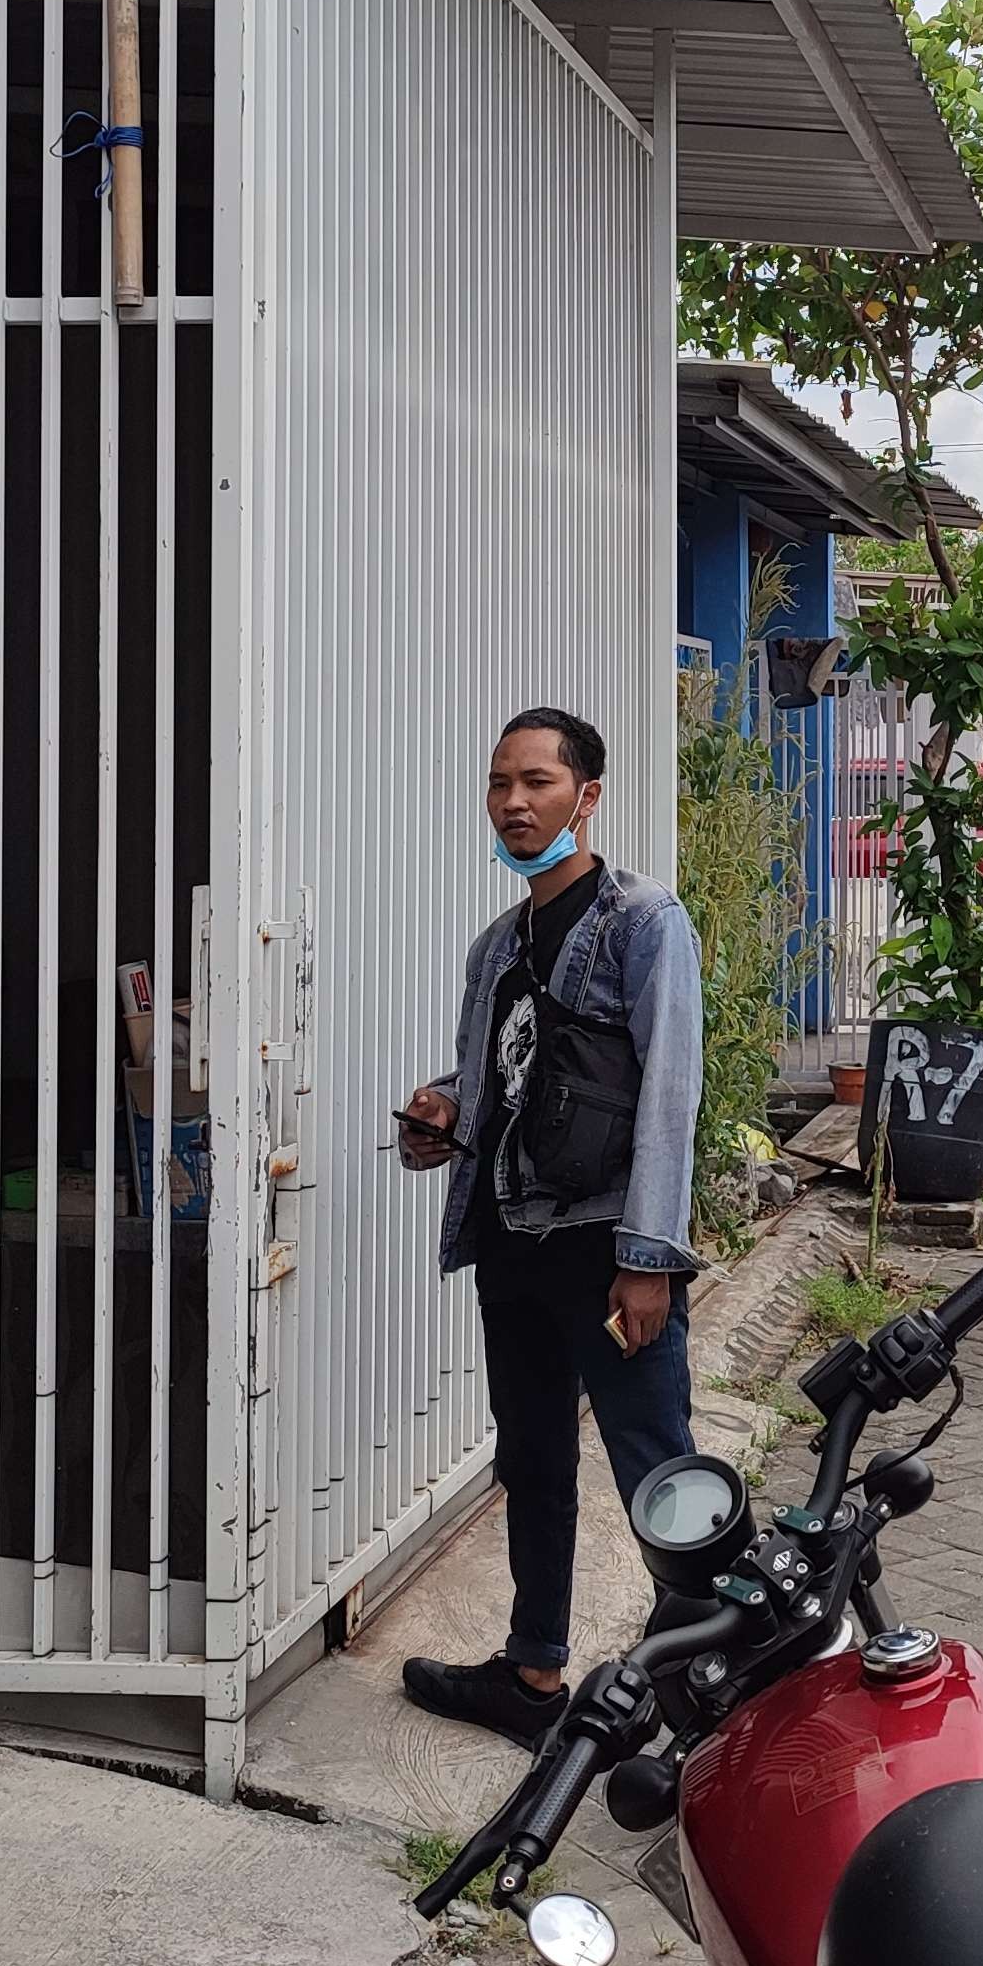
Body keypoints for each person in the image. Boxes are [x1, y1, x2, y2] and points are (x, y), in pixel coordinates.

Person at [393, 707, 704, 1744]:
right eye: (499, 784)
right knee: (531, 1461)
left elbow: (669, 1093)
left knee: (655, 1466)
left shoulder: (641, 922)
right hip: (513, 1246)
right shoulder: (497, 946)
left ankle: (707, 1687)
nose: (515, 802)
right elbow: (505, 1079)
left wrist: (650, 1260)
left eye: (537, 781)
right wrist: (443, 1108)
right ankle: (532, 1677)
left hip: (609, 1252)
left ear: (587, 796)